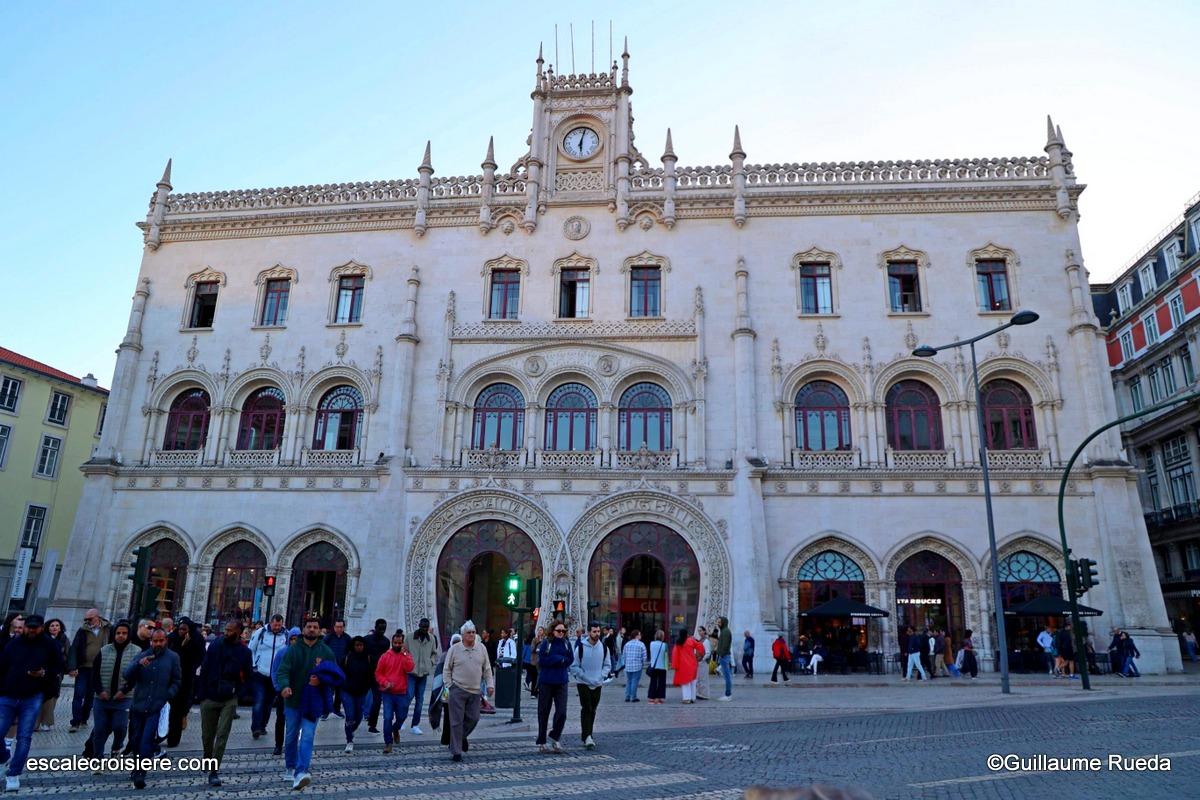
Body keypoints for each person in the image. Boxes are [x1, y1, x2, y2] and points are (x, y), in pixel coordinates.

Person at [0, 615, 64, 791]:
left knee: (24, 736)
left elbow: (58, 667)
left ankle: (14, 774)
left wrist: (44, 674)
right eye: (29, 627)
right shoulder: (15, 643)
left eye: (35, 628)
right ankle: (4, 755)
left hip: (32, 695)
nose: (31, 630)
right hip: (8, 693)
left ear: (41, 628)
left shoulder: (50, 645)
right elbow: (2, 665)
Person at [276, 617, 338, 791]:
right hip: (293, 701)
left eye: (315, 627)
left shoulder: (326, 652)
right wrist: (285, 686)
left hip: (313, 702)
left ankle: (301, 771)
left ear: (319, 631)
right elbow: (283, 671)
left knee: (308, 736)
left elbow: (334, 676)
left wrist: (322, 680)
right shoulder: (293, 650)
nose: (312, 629)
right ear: (304, 630)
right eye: (309, 626)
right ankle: (290, 765)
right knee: (291, 736)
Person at [123, 628, 181, 789]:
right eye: (155, 641)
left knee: (146, 740)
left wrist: (167, 695)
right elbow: (127, 674)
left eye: (161, 641)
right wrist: (138, 665)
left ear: (166, 641)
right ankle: (136, 767)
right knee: (135, 740)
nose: (158, 644)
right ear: (151, 641)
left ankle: (141, 772)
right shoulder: (142, 655)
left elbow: (177, 680)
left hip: (156, 706)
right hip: (138, 705)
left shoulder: (172, 658)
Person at [197, 621, 251, 787]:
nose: (226, 632)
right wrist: (202, 693)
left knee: (222, 734)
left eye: (230, 630)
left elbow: (248, 675)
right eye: (226, 630)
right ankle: (207, 757)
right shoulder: (215, 645)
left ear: (238, 632)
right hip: (210, 694)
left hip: (229, 696)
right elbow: (204, 668)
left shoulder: (244, 652)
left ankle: (214, 770)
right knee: (207, 734)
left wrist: (238, 693)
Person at [443, 621, 494, 762]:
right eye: (469, 633)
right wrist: (450, 685)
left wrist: (490, 685)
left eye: (473, 632)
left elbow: (487, 669)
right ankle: (456, 751)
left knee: (474, 718)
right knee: (456, 721)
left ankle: (459, 738)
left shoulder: (481, 648)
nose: (472, 635)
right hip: (457, 689)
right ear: (463, 635)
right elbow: (447, 669)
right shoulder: (455, 649)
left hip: (475, 691)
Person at [90, 620, 138, 764]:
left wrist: (124, 690)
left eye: (124, 633)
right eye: (118, 633)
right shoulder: (104, 650)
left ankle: (117, 746)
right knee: (99, 729)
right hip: (102, 698)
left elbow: (136, 675)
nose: (121, 636)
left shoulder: (136, 651)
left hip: (124, 698)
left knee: (120, 726)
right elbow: (95, 673)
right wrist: (99, 690)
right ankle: (97, 758)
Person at [67, 609, 110, 733]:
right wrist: (72, 667)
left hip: (98, 668)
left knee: (90, 696)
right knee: (78, 694)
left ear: (97, 618)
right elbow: (74, 648)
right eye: (85, 619)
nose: (87, 621)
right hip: (83, 667)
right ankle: (75, 721)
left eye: (89, 619)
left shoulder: (107, 629)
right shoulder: (82, 631)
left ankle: (84, 718)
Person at [534, 620, 572, 753]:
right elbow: (542, 660)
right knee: (543, 712)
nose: (561, 633)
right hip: (546, 681)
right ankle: (542, 740)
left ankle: (555, 736)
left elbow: (570, 659)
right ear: (553, 631)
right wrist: (558, 659)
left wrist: (561, 660)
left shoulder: (567, 643)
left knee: (562, 712)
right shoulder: (547, 643)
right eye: (559, 631)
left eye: (564, 631)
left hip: (561, 681)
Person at [165, 617, 204, 747]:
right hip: (169, 677)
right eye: (180, 629)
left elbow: (199, 657)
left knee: (178, 709)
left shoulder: (196, 639)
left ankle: (173, 738)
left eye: (184, 629)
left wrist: (186, 647)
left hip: (186, 678)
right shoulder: (172, 638)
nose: (181, 632)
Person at [570, 623, 610, 750]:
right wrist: (584, 676)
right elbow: (574, 666)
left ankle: (588, 734)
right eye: (594, 631)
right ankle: (587, 736)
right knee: (586, 708)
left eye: (598, 631)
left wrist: (601, 676)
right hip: (583, 683)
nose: (597, 634)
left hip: (597, 683)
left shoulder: (603, 647)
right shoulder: (581, 647)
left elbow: (607, 665)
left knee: (593, 709)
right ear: (588, 632)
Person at [248, 614, 288, 740]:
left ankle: (263, 725)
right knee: (259, 701)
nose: (277, 627)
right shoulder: (261, 632)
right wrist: (254, 665)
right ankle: (256, 728)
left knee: (269, 703)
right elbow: (251, 649)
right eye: (275, 625)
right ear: (270, 623)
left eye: (279, 625)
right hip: (260, 673)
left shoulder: (285, 635)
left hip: (275, 676)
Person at [375, 632, 414, 753]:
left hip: (402, 692)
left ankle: (395, 729)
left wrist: (406, 655)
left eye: (399, 643)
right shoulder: (385, 656)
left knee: (402, 716)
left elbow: (410, 668)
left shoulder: (406, 655)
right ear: (392, 642)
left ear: (403, 643)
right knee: (387, 717)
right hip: (388, 693)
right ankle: (388, 742)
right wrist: (385, 682)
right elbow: (378, 673)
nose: (397, 645)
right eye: (395, 643)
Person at [270, 627, 301, 755]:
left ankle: (291, 745)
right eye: (292, 639)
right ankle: (278, 744)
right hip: (283, 690)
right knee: (281, 718)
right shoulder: (282, 653)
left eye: (297, 639)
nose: (294, 641)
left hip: (297, 691)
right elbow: (275, 670)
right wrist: (278, 687)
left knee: (294, 720)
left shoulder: (303, 653)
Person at [340, 636, 373, 752]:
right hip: (347, 691)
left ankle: (350, 730)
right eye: (357, 645)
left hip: (361, 691)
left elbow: (371, 675)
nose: (359, 647)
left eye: (361, 645)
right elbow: (340, 674)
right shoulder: (347, 658)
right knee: (349, 715)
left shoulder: (368, 658)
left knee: (358, 715)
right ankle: (349, 739)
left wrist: (369, 686)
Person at [37, 618, 71, 731]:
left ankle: (47, 722)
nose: (55, 627)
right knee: (39, 696)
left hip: (57, 672)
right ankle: (35, 722)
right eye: (52, 625)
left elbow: (68, 654)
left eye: (57, 625)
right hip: (43, 671)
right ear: (48, 627)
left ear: (60, 628)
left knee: (52, 697)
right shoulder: (42, 639)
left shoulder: (64, 639)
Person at [406, 619, 438, 736]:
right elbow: (404, 651)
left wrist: (430, 662)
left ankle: (415, 725)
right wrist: (407, 663)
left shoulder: (431, 639)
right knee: (408, 696)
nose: (424, 629)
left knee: (420, 700)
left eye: (426, 627)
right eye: (423, 627)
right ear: (419, 626)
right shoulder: (409, 637)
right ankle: (401, 719)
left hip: (423, 674)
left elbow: (434, 653)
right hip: (411, 673)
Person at [363, 618, 389, 733]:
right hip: (365, 673)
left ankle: (372, 724)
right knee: (359, 698)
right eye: (380, 628)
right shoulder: (367, 640)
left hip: (378, 675)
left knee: (377, 700)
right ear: (375, 627)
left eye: (384, 629)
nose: (382, 631)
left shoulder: (386, 642)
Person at [323, 621, 351, 718]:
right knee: (328, 690)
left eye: (341, 627)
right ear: (334, 627)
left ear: (344, 627)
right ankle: (326, 711)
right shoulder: (328, 637)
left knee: (340, 690)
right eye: (337, 627)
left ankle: (337, 709)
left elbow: (350, 652)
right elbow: (323, 649)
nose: (339, 629)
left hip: (342, 668)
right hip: (330, 668)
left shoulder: (347, 638)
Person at [672, 628, 704, 704]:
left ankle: (687, 698)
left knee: (685, 682)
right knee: (693, 682)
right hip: (693, 664)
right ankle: (693, 698)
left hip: (683, 665)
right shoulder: (691, 640)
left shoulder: (678, 643)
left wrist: (675, 665)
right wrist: (699, 655)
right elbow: (700, 646)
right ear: (687, 634)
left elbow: (675, 655)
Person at [621, 629, 646, 702]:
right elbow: (644, 657)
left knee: (629, 681)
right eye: (640, 634)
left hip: (628, 666)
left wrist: (625, 663)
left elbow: (624, 655)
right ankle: (633, 697)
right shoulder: (641, 644)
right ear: (637, 635)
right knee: (635, 681)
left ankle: (627, 696)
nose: (640, 636)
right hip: (637, 666)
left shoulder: (627, 644)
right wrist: (642, 663)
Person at [646, 630, 669, 704]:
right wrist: (667, 666)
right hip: (662, 666)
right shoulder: (665, 645)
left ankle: (651, 697)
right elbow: (666, 657)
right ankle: (659, 697)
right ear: (663, 636)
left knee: (653, 682)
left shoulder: (651, 643)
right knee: (661, 683)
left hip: (653, 666)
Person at [714, 617, 733, 699]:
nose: (718, 624)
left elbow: (725, 646)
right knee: (726, 676)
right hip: (724, 656)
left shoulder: (725, 632)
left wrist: (720, 654)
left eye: (719, 622)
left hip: (724, 656)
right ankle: (728, 694)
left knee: (727, 676)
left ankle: (728, 695)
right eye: (717, 622)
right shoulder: (724, 631)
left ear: (723, 623)